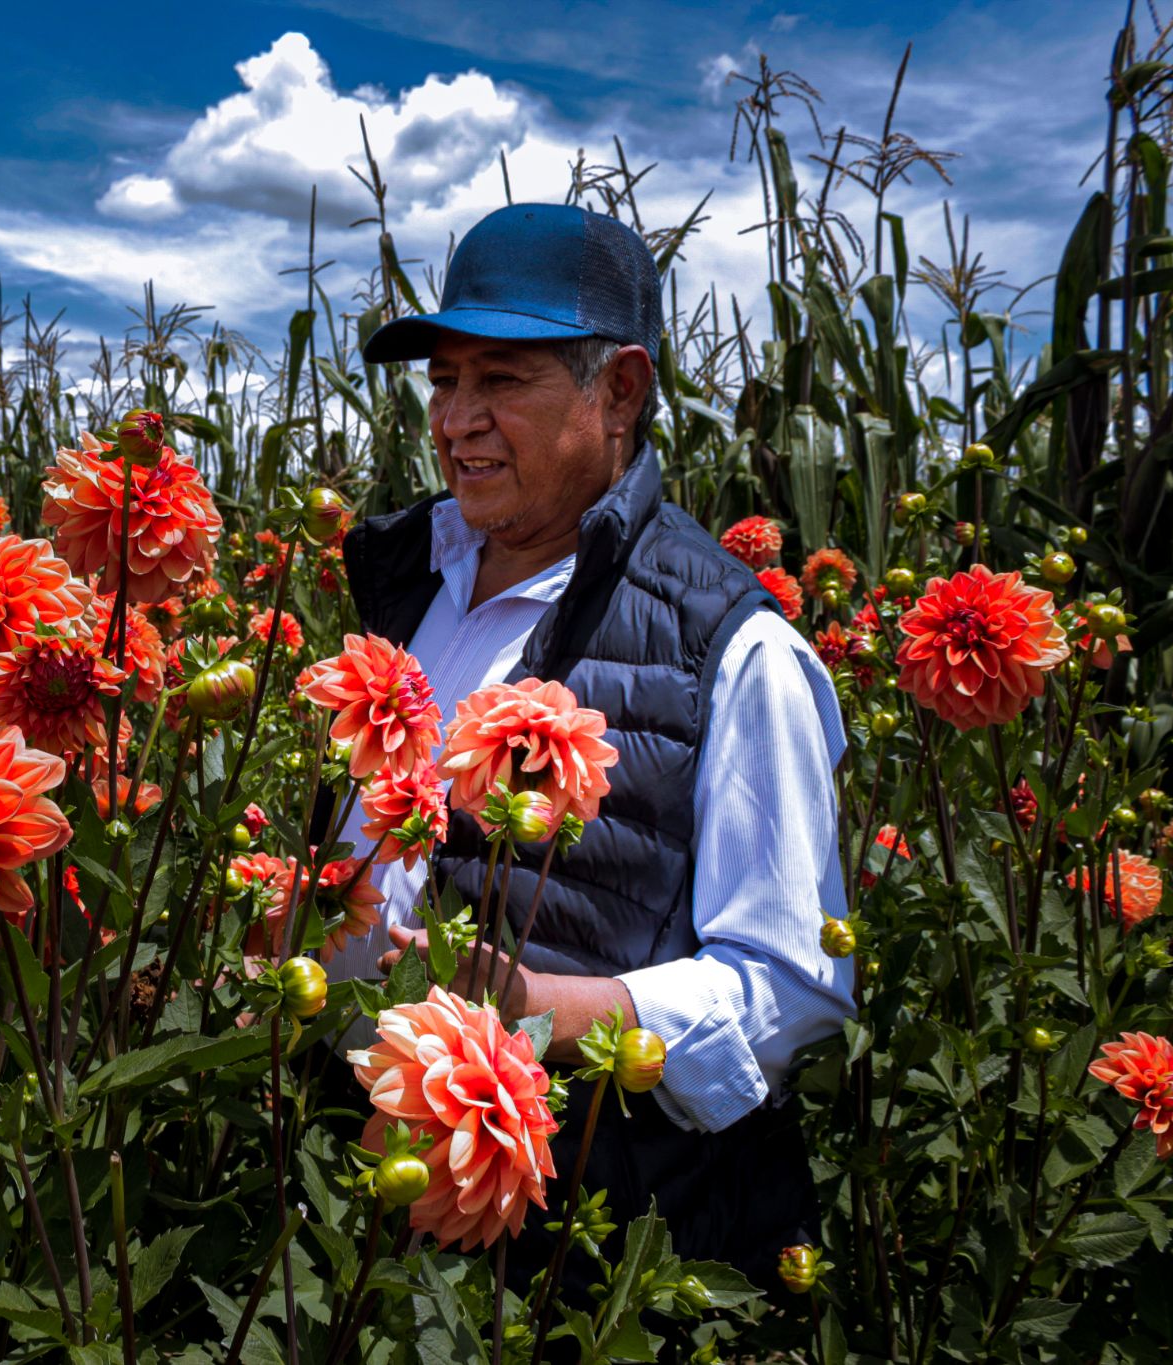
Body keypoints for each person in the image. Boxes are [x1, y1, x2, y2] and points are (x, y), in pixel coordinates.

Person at [330, 202, 853, 1279]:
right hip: (357, 1188)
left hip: (578, 1236)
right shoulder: (403, 581)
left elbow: (792, 987)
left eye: (500, 380)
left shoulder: (731, 649)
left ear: (617, 391)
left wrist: (541, 1012)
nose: (454, 421)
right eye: (442, 381)